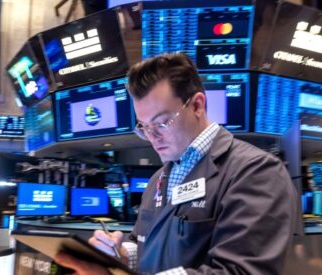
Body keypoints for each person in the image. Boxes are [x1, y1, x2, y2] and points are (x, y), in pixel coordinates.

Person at [55, 53, 301, 274]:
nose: (152, 137)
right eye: (144, 127)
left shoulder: (255, 171)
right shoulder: (158, 180)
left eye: (161, 123)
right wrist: (120, 253)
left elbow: (241, 271)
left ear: (197, 105)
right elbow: (145, 243)